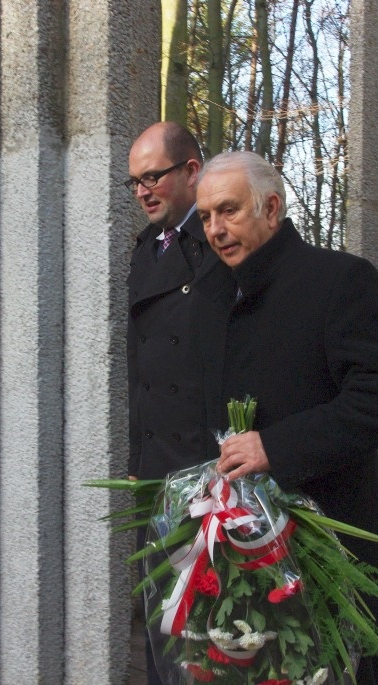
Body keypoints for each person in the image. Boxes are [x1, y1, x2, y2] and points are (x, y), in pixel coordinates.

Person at [195, 151, 378, 685]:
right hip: (236, 558)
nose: (216, 230)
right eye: (205, 217)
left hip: (328, 554)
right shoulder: (208, 294)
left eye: (228, 211)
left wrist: (276, 447)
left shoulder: (341, 280)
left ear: (271, 208)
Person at [125, 122, 229, 685]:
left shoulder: (219, 241)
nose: (143, 191)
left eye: (153, 176)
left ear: (192, 171)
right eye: (135, 182)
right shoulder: (147, 248)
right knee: (162, 618)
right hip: (156, 466)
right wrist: (138, 457)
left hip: (206, 470)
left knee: (208, 625)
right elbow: (141, 366)